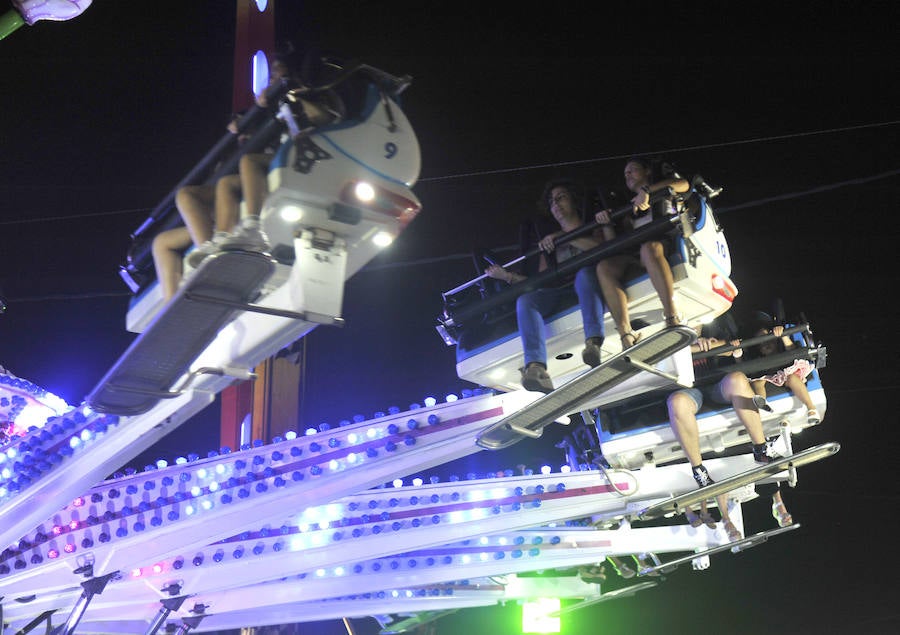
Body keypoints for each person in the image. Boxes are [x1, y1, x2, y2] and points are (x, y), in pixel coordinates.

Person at [484, 178, 608, 393]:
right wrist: (507, 276)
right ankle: (536, 367)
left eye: (561, 198)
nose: (556, 205)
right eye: (552, 202)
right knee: (526, 300)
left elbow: (602, 248)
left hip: (591, 286)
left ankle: (593, 343)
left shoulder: (591, 225)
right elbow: (540, 282)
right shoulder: (550, 243)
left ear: (574, 201)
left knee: (584, 274)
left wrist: (565, 237)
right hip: (561, 291)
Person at [593, 157, 689, 349]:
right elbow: (615, 243)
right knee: (604, 267)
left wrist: (647, 191)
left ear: (647, 172)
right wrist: (607, 223)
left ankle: (671, 317)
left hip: (661, 245)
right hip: (634, 253)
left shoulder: (660, 186)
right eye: (625, 173)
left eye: (633, 170)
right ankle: (626, 335)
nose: (628, 174)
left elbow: (684, 184)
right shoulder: (625, 204)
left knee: (649, 248)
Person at [746, 311, 821, 527]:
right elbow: (748, 364)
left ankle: (811, 407)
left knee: (792, 378)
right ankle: (761, 405)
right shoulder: (757, 358)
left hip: (784, 372)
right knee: (757, 382)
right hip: (765, 377)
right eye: (761, 342)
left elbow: (792, 350)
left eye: (767, 339)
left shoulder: (783, 346)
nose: (765, 344)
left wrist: (782, 336)